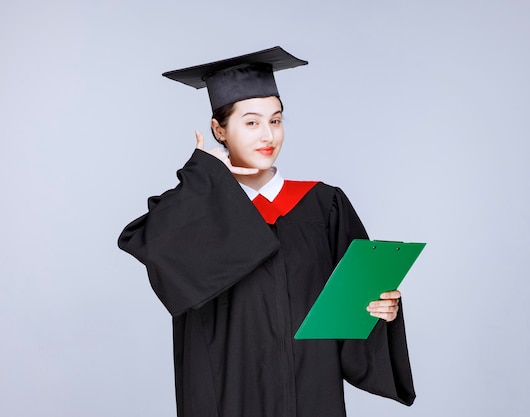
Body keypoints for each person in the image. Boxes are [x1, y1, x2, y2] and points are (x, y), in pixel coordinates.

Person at [118, 46, 415, 417]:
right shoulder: (192, 208)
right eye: (251, 122)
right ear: (218, 130)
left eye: (276, 120)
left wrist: (379, 312)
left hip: (310, 394)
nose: (268, 135)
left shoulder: (324, 206)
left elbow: (351, 320)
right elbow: (155, 251)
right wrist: (202, 176)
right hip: (226, 397)